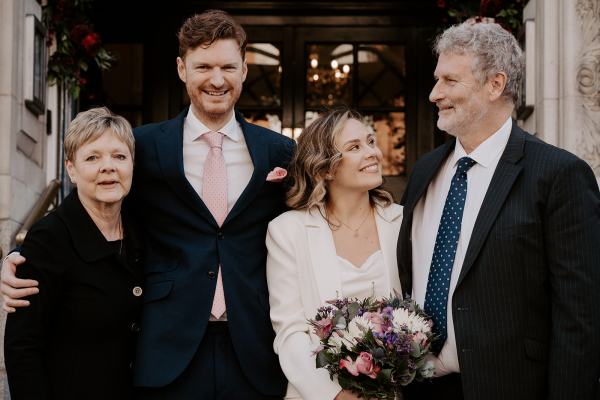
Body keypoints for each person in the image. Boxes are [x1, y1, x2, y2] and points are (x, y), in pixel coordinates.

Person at [2, 10, 294, 399]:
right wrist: (24, 256)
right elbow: (94, 208)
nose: (217, 79)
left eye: (228, 66)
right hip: (167, 351)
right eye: (203, 66)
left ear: (244, 69)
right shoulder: (142, 147)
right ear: (181, 68)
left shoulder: (280, 151)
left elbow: (311, 223)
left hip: (255, 348)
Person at [397, 21, 600, 400]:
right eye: (436, 79)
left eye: (449, 81)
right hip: (420, 388)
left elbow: (580, 317)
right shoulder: (425, 171)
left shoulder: (559, 175)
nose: (433, 93)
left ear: (495, 84)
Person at [3, 107, 143, 399]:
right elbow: (23, 348)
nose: (108, 167)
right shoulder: (48, 238)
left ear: (132, 164)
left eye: (119, 156)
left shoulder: (143, 229)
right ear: (71, 168)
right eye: (92, 157)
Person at [266, 108, 403, 400]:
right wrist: (336, 395)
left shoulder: (404, 222)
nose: (372, 153)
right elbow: (290, 332)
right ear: (325, 168)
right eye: (355, 147)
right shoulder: (287, 231)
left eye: (370, 141)